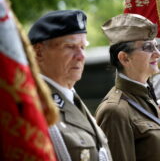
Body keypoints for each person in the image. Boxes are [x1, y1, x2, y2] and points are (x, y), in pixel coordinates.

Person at [28, 10, 112, 161]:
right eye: (70, 46)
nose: (80, 56)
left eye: (83, 47)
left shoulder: (73, 101)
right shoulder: (33, 106)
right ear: (39, 52)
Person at [95, 13, 160, 161]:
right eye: (148, 47)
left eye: (156, 46)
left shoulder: (146, 98)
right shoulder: (115, 111)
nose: (157, 54)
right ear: (124, 58)